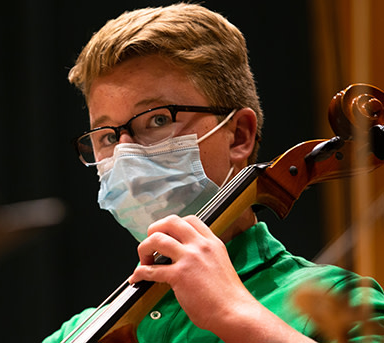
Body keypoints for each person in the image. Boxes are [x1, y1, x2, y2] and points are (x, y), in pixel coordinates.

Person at [43, 2, 384, 342]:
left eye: (158, 120)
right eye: (106, 137)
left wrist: (236, 314)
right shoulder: (75, 334)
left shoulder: (340, 302)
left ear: (239, 135)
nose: (125, 154)